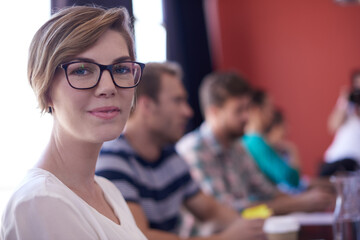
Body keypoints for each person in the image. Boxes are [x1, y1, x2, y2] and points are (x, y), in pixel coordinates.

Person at [1, 6, 147, 240]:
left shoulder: (107, 190)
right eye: (82, 70)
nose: (108, 87)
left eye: (120, 68)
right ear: (46, 89)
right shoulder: (42, 202)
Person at [96, 62, 266, 240]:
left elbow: (210, 210)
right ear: (147, 106)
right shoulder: (113, 160)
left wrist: (252, 228)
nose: (188, 112)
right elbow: (141, 237)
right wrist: (225, 238)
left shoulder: (169, 154)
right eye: (178, 101)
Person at [176, 71, 335, 216]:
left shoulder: (237, 147)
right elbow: (225, 212)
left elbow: (268, 192)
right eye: (239, 110)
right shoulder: (194, 150)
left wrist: (308, 200)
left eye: (247, 109)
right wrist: (298, 203)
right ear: (214, 112)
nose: (247, 116)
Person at [242, 89, 301, 190]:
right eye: (269, 108)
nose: (272, 113)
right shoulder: (256, 142)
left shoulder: (249, 140)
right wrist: (292, 149)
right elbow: (292, 179)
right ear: (256, 110)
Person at [321, 70, 360, 176]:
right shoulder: (347, 105)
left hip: (355, 165)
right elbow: (332, 126)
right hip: (336, 160)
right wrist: (344, 101)